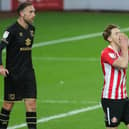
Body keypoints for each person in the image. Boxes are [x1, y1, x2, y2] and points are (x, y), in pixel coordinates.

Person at [0, 2, 37, 129]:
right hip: (13, 74)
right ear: (22, 14)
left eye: (34, 12)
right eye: (31, 12)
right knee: (8, 105)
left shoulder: (32, 30)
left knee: (31, 104)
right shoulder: (11, 31)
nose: (34, 15)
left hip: (28, 73)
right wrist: (0, 67)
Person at [101, 24, 129, 129]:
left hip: (124, 97)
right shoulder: (106, 53)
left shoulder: (122, 52)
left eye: (120, 33)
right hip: (111, 99)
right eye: (116, 33)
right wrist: (125, 47)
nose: (120, 36)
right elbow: (122, 64)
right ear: (109, 38)